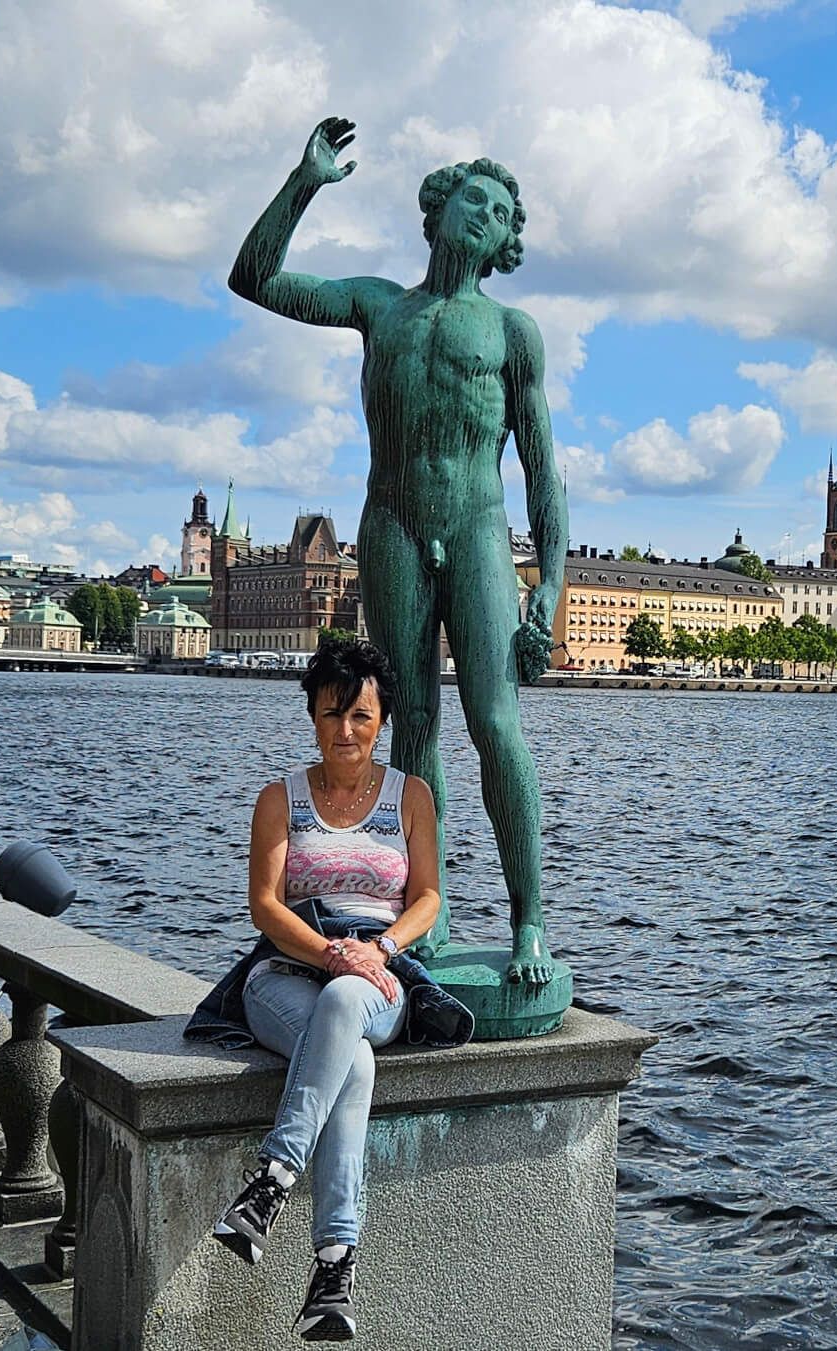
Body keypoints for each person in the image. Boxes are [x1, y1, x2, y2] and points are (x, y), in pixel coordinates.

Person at [228, 115, 566, 986]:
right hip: (394, 531)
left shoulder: (513, 334)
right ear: (440, 207)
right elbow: (254, 277)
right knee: (412, 726)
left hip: (482, 530)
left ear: (502, 245)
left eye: (500, 212)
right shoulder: (380, 306)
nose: (483, 215)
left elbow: (543, 471)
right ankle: (431, 917)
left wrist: (552, 583)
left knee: (496, 725)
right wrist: (304, 182)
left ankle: (530, 924)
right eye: (472, 198)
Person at [198, 639, 444, 1342]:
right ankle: (334, 1268)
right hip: (286, 974)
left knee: (347, 1007)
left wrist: (380, 948)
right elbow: (266, 907)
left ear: (382, 721)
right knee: (354, 1060)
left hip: (376, 977)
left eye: (361, 716)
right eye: (333, 713)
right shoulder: (281, 798)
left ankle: (272, 1179)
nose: (346, 730)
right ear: (311, 714)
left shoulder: (411, 797)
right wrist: (329, 949)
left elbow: (426, 897)